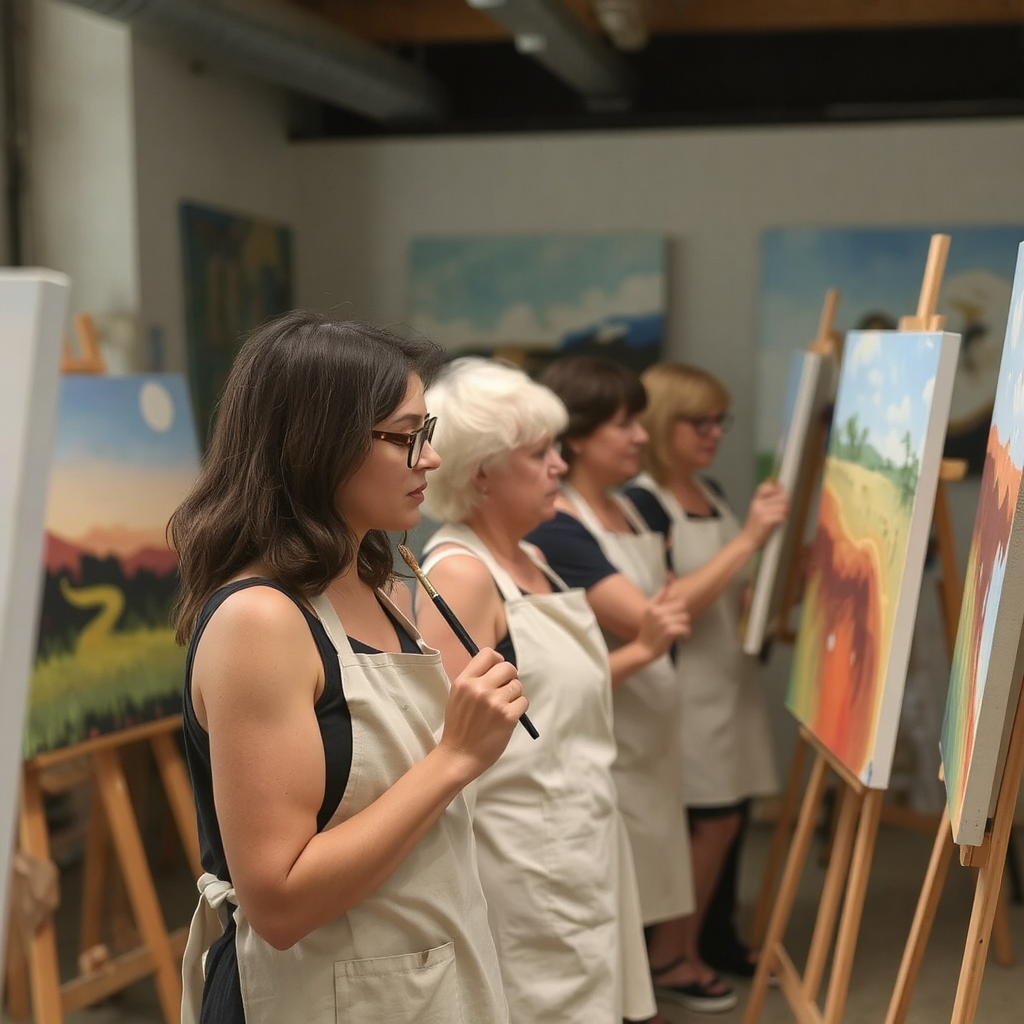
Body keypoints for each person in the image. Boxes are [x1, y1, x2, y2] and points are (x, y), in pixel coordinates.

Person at [169, 311, 526, 1024]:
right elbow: (280, 900)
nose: (429, 460)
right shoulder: (260, 620)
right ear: (316, 447)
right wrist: (454, 758)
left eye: (428, 435)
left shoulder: (375, 581)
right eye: (405, 438)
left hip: (414, 978)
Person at [415, 358, 690, 1024]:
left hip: (584, 834)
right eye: (539, 454)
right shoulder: (461, 575)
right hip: (523, 859)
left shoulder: (532, 558)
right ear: (480, 472)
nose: (559, 467)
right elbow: (441, 752)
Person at [526, 355, 736, 1014]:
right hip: (610, 729)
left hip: (651, 726)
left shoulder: (635, 511)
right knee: (608, 894)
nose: (641, 437)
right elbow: (655, 615)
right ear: (578, 436)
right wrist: (658, 620)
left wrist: (661, 619)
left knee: (648, 879)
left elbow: (667, 612)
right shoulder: (559, 527)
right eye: (624, 424)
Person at [625, 361, 787, 982]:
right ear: (665, 424)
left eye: (723, 421)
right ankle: (672, 955)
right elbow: (666, 607)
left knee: (731, 818)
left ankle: (707, 942)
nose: (715, 433)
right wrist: (748, 541)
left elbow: (726, 591)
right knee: (708, 822)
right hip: (685, 691)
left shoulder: (711, 492)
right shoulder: (643, 503)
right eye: (701, 422)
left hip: (729, 683)